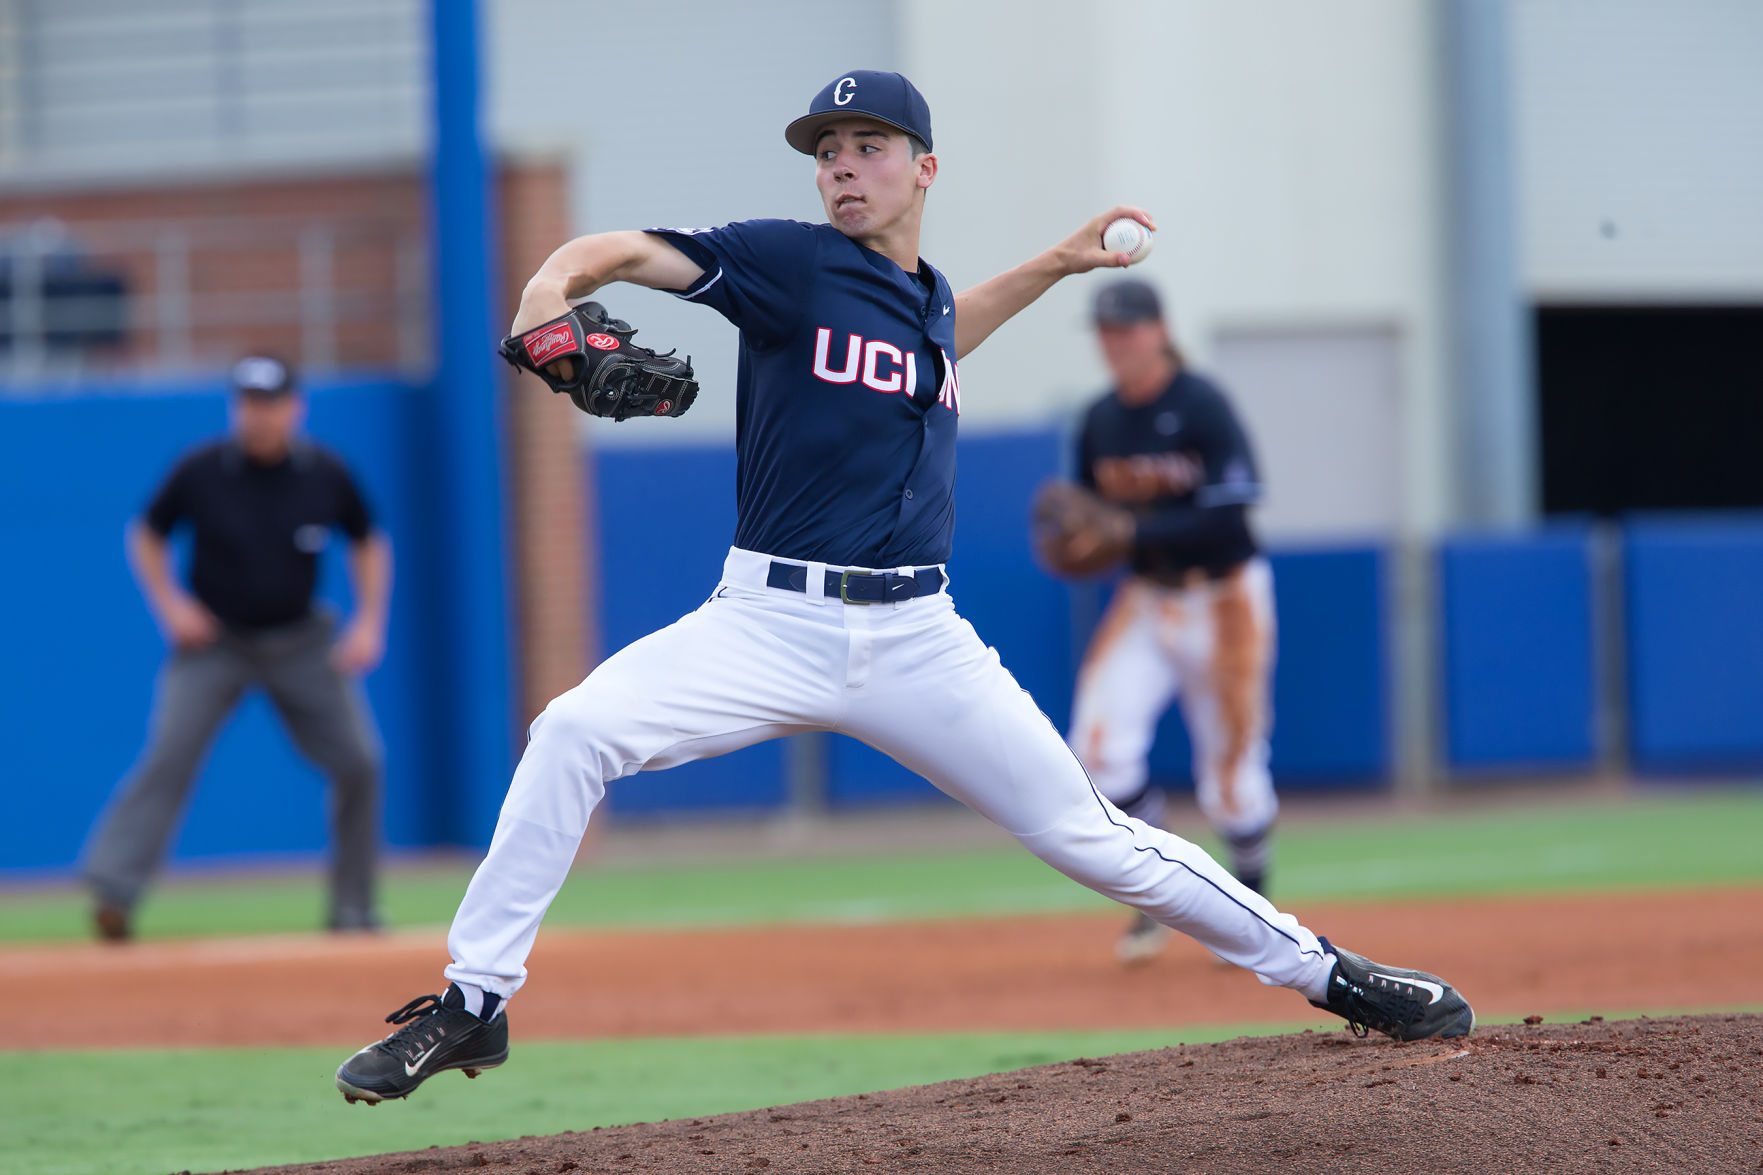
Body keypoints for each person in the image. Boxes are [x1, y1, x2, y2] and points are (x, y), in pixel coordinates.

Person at [335, 70, 1472, 1106]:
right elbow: (615, 252)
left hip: (920, 638)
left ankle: (1330, 972)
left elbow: (939, 340)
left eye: (867, 145)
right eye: (826, 149)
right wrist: (544, 299)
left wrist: (1054, 264)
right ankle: (473, 1003)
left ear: (922, 167)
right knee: (572, 729)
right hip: (766, 621)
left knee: (1094, 835)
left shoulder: (918, 300)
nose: (841, 165)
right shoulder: (785, 263)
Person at [83, 355, 391, 940]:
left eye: (271, 403)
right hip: (216, 643)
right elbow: (146, 532)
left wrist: (370, 622)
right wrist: (172, 606)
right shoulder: (202, 470)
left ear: (294, 408)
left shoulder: (324, 472)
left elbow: (368, 539)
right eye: (248, 403)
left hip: (300, 640)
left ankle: (353, 906)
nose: (259, 415)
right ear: (236, 408)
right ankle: (114, 892)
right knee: (169, 754)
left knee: (361, 761)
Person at [1065, 279, 1280, 965]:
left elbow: (1232, 505)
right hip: (1147, 596)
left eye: (1126, 328)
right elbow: (1087, 517)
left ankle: (1249, 902)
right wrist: (1086, 540)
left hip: (1224, 597)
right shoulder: (1098, 419)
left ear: (1158, 330)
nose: (1114, 342)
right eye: (1104, 330)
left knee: (1231, 778)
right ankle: (1157, 892)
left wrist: (1128, 525)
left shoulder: (1199, 403)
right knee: (1095, 752)